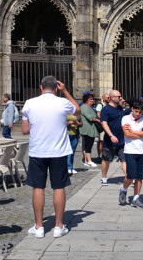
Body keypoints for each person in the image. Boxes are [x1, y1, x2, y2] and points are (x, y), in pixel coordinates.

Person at [21, 76, 80, 238]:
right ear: (56, 88)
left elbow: (25, 131)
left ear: (41, 87)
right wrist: (65, 91)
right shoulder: (62, 102)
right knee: (58, 187)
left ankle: (39, 227)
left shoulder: (29, 103)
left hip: (38, 151)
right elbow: (78, 111)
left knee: (38, 187)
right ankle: (58, 226)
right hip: (58, 152)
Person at [119, 98, 143, 209]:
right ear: (132, 109)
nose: (138, 114)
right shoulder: (125, 118)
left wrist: (133, 131)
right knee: (130, 176)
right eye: (136, 111)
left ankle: (136, 198)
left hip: (141, 150)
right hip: (130, 151)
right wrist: (141, 134)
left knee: (140, 176)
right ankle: (123, 189)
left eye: (140, 112)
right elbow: (127, 135)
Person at [99, 89, 127, 185]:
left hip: (122, 139)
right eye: (118, 97)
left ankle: (128, 178)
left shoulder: (120, 108)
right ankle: (104, 177)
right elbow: (104, 123)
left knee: (124, 159)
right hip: (110, 140)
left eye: (120, 96)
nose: (120, 98)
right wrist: (111, 135)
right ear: (111, 98)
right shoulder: (105, 109)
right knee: (106, 159)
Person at [79, 92, 99, 168]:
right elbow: (89, 117)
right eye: (91, 99)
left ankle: (87, 160)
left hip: (90, 129)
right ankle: (88, 161)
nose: (92, 101)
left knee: (88, 145)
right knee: (88, 145)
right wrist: (97, 120)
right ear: (87, 100)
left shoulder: (89, 107)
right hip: (87, 129)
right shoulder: (84, 107)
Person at [95, 93, 110, 158]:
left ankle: (106, 154)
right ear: (103, 98)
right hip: (102, 126)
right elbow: (98, 115)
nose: (109, 99)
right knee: (101, 141)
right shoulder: (100, 105)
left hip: (108, 125)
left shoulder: (109, 106)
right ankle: (100, 155)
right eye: (107, 98)